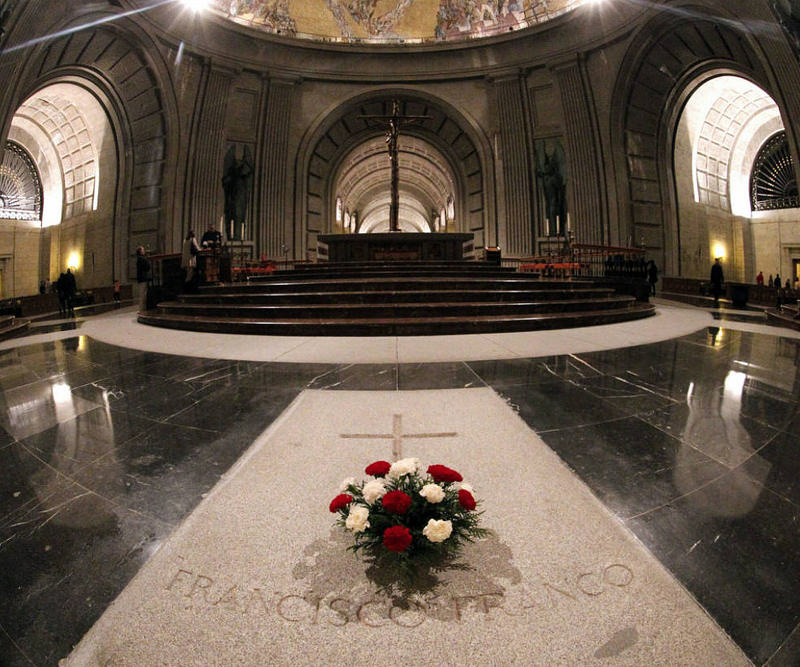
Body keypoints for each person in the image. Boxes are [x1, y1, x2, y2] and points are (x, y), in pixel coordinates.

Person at [136, 246, 150, 311]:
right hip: (143, 278)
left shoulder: (139, 259)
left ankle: (142, 309)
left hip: (141, 278)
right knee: (143, 295)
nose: (144, 251)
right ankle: (142, 309)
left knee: (142, 294)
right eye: (143, 250)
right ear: (140, 251)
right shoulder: (141, 259)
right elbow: (147, 266)